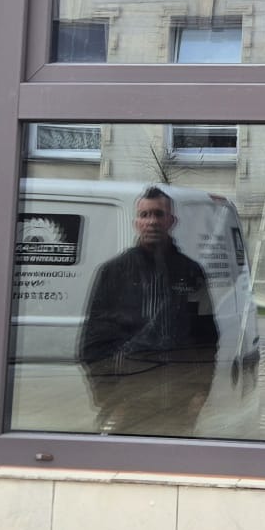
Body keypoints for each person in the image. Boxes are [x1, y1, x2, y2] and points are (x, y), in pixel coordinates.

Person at [76, 187, 220, 437]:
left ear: (171, 221)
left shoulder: (191, 273)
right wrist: (109, 399)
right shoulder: (113, 272)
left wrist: (199, 394)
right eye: (145, 215)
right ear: (136, 223)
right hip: (127, 403)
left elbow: (207, 338)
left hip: (178, 403)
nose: (151, 221)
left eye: (158, 214)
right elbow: (93, 345)